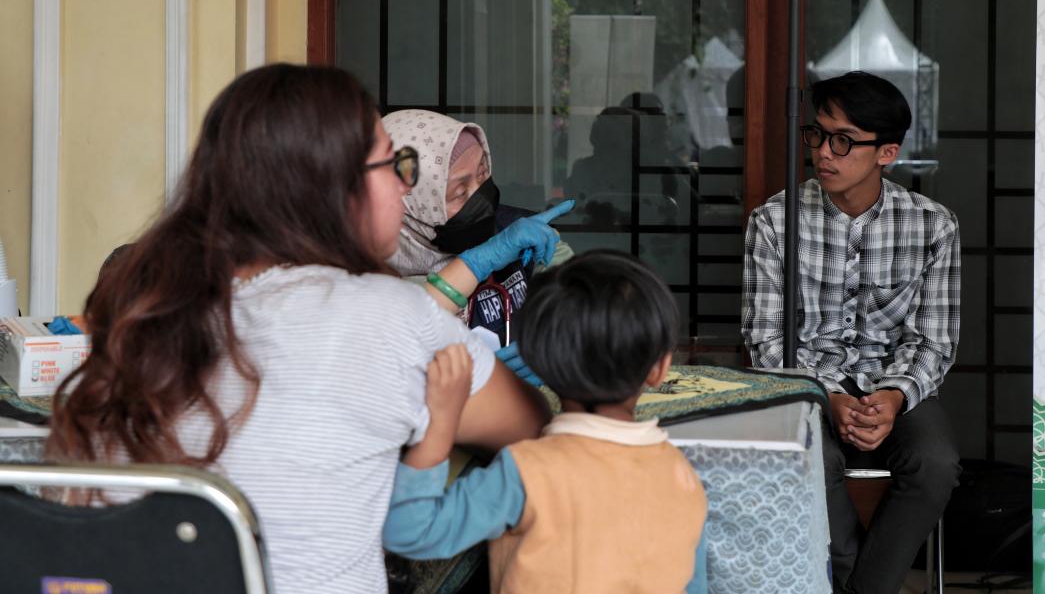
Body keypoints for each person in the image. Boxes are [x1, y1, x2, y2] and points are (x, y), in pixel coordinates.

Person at [45, 64, 556, 594]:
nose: (405, 190)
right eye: (391, 165)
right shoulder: (388, 316)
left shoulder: (147, 301)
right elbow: (532, 426)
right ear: (336, 190)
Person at [741, 71, 961, 594]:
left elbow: (936, 341)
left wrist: (891, 397)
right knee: (808, 455)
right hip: (803, 383)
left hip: (895, 383)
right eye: (817, 134)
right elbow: (765, 340)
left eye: (843, 141)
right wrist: (828, 395)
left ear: (887, 152)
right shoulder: (774, 221)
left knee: (936, 463)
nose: (824, 153)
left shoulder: (934, 225)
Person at [383, 251, 709, 594]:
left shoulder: (525, 471)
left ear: (537, 363)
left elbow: (409, 532)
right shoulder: (684, 479)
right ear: (660, 369)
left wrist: (440, 422)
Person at [381, 109, 572, 346]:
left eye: (482, 174)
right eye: (460, 192)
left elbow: (582, 308)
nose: (480, 198)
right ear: (411, 209)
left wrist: (554, 349)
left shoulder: (519, 232)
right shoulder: (375, 281)